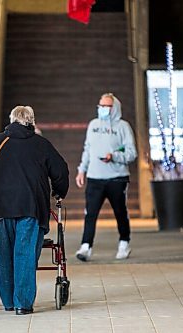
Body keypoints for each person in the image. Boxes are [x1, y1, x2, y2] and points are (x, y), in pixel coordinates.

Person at [0, 105, 69, 315]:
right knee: (24, 254)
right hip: (31, 207)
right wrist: (59, 192)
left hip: (0, 208)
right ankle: (23, 304)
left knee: (4, 254)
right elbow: (60, 170)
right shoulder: (41, 144)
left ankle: (9, 302)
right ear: (32, 121)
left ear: (11, 120)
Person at [75, 93, 137, 262]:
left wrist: (114, 156)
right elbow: (87, 149)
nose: (102, 109)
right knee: (90, 213)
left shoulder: (123, 127)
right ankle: (86, 246)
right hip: (95, 178)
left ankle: (124, 242)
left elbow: (132, 153)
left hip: (117, 178)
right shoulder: (93, 125)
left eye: (107, 106)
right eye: (100, 106)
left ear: (114, 108)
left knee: (120, 212)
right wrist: (82, 170)